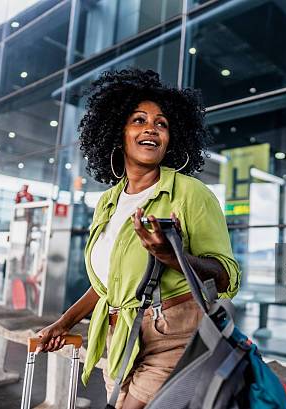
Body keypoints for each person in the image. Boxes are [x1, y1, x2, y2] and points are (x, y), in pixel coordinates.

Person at [35, 69, 241, 409]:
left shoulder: (189, 193)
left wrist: (172, 255)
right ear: (118, 132)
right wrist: (64, 322)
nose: (151, 128)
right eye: (139, 120)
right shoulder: (109, 201)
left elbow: (227, 278)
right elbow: (108, 284)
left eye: (161, 124)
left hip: (174, 337)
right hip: (120, 339)